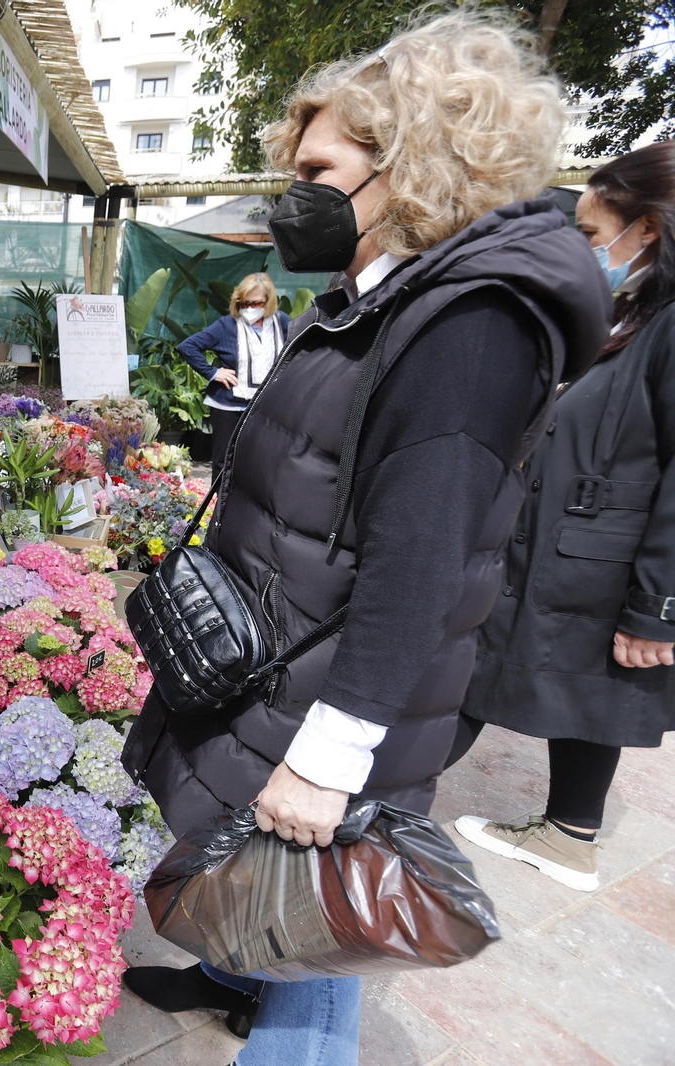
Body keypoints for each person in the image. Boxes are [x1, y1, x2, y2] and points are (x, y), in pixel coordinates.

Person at [118, 12, 610, 1063]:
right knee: (245, 863)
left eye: (317, 168)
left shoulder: (470, 323)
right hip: (283, 655)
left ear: (409, 163)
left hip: (334, 695)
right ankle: (224, 970)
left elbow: (419, 565)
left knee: (318, 913)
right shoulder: (385, 297)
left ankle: (288, 1035)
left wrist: (330, 761)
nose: (295, 194)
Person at [450, 142, 675, 892]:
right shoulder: (640, 316)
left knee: (467, 671)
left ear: (645, 229)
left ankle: (361, 794)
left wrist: (657, 608)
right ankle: (570, 831)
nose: (584, 249)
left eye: (590, 232)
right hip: (584, 541)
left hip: (602, 552)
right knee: (586, 689)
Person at [178, 272, 292, 480]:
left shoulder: (281, 322)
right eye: (244, 303)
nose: (249, 309)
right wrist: (214, 372)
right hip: (229, 406)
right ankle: (221, 510)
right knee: (224, 463)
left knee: (263, 462)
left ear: (268, 301)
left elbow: (295, 351)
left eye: (256, 303)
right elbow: (189, 346)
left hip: (268, 406)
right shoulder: (227, 324)